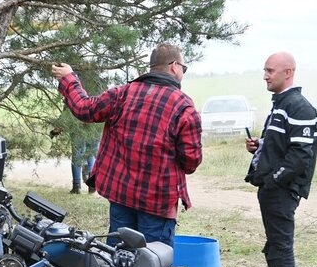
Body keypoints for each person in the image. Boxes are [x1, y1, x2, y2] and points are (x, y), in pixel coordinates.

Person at [51, 43, 203, 247]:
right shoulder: (184, 107)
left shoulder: (122, 94)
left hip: (121, 195)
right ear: (174, 66)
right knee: (152, 261)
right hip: (157, 203)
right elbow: (191, 161)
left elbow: (85, 108)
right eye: (184, 68)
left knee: (117, 259)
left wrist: (69, 78)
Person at [244, 51, 317, 267]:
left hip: (282, 192)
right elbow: (282, 145)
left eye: (270, 70)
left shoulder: (299, 107)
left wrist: (274, 180)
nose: (265, 76)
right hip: (272, 190)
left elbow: (300, 156)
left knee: (281, 250)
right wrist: (260, 145)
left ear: (288, 72)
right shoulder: (281, 105)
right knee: (274, 249)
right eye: (265, 70)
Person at [50, 106, 100, 194]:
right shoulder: (99, 96)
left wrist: (56, 130)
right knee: (91, 155)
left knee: (77, 155)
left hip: (77, 126)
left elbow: (66, 113)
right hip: (96, 125)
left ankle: (76, 186)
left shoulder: (75, 97)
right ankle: (91, 185)